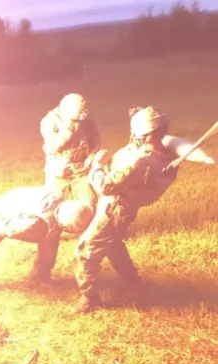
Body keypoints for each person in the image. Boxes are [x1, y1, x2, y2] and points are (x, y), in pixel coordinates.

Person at [73, 106, 180, 314]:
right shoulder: (163, 157)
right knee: (113, 245)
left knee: (85, 251)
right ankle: (134, 284)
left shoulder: (141, 162)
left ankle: (89, 299)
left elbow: (105, 186)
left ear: (143, 135)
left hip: (113, 208)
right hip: (123, 210)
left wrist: (96, 165)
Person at [0, 185, 95, 283]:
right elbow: (11, 230)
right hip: (0, 215)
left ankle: (41, 275)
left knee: (50, 241)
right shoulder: (37, 224)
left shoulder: (57, 196)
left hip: (13, 204)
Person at [40, 93, 101, 209]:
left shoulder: (86, 120)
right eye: (79, 115)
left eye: (84, 112)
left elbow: (96, 139)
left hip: (80, 170)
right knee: (49, 206)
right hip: (58, 172)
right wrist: (68, 128)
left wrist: (92, 155)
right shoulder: (49, 121)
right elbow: (55, 146)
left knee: (90, 204)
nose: (83, 117)